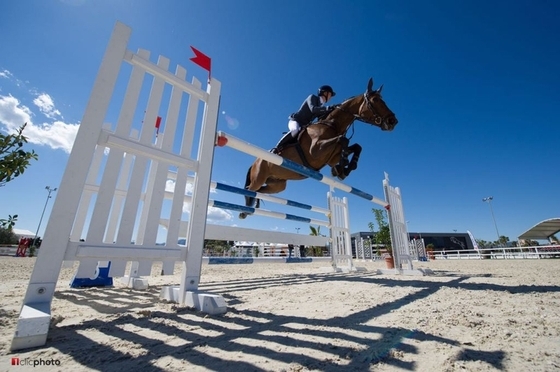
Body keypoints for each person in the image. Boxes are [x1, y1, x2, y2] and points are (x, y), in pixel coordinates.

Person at [271, 85, 339, 154]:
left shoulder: (321, 106)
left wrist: (334, 110)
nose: (330, 97)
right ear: (324, 93)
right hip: (296, 121)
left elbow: (321, 118)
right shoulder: (312, 97)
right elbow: (313, 109)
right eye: (330, 94)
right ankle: (276, 148)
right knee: (295, 130)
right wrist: (328, 108)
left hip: (303, 126)